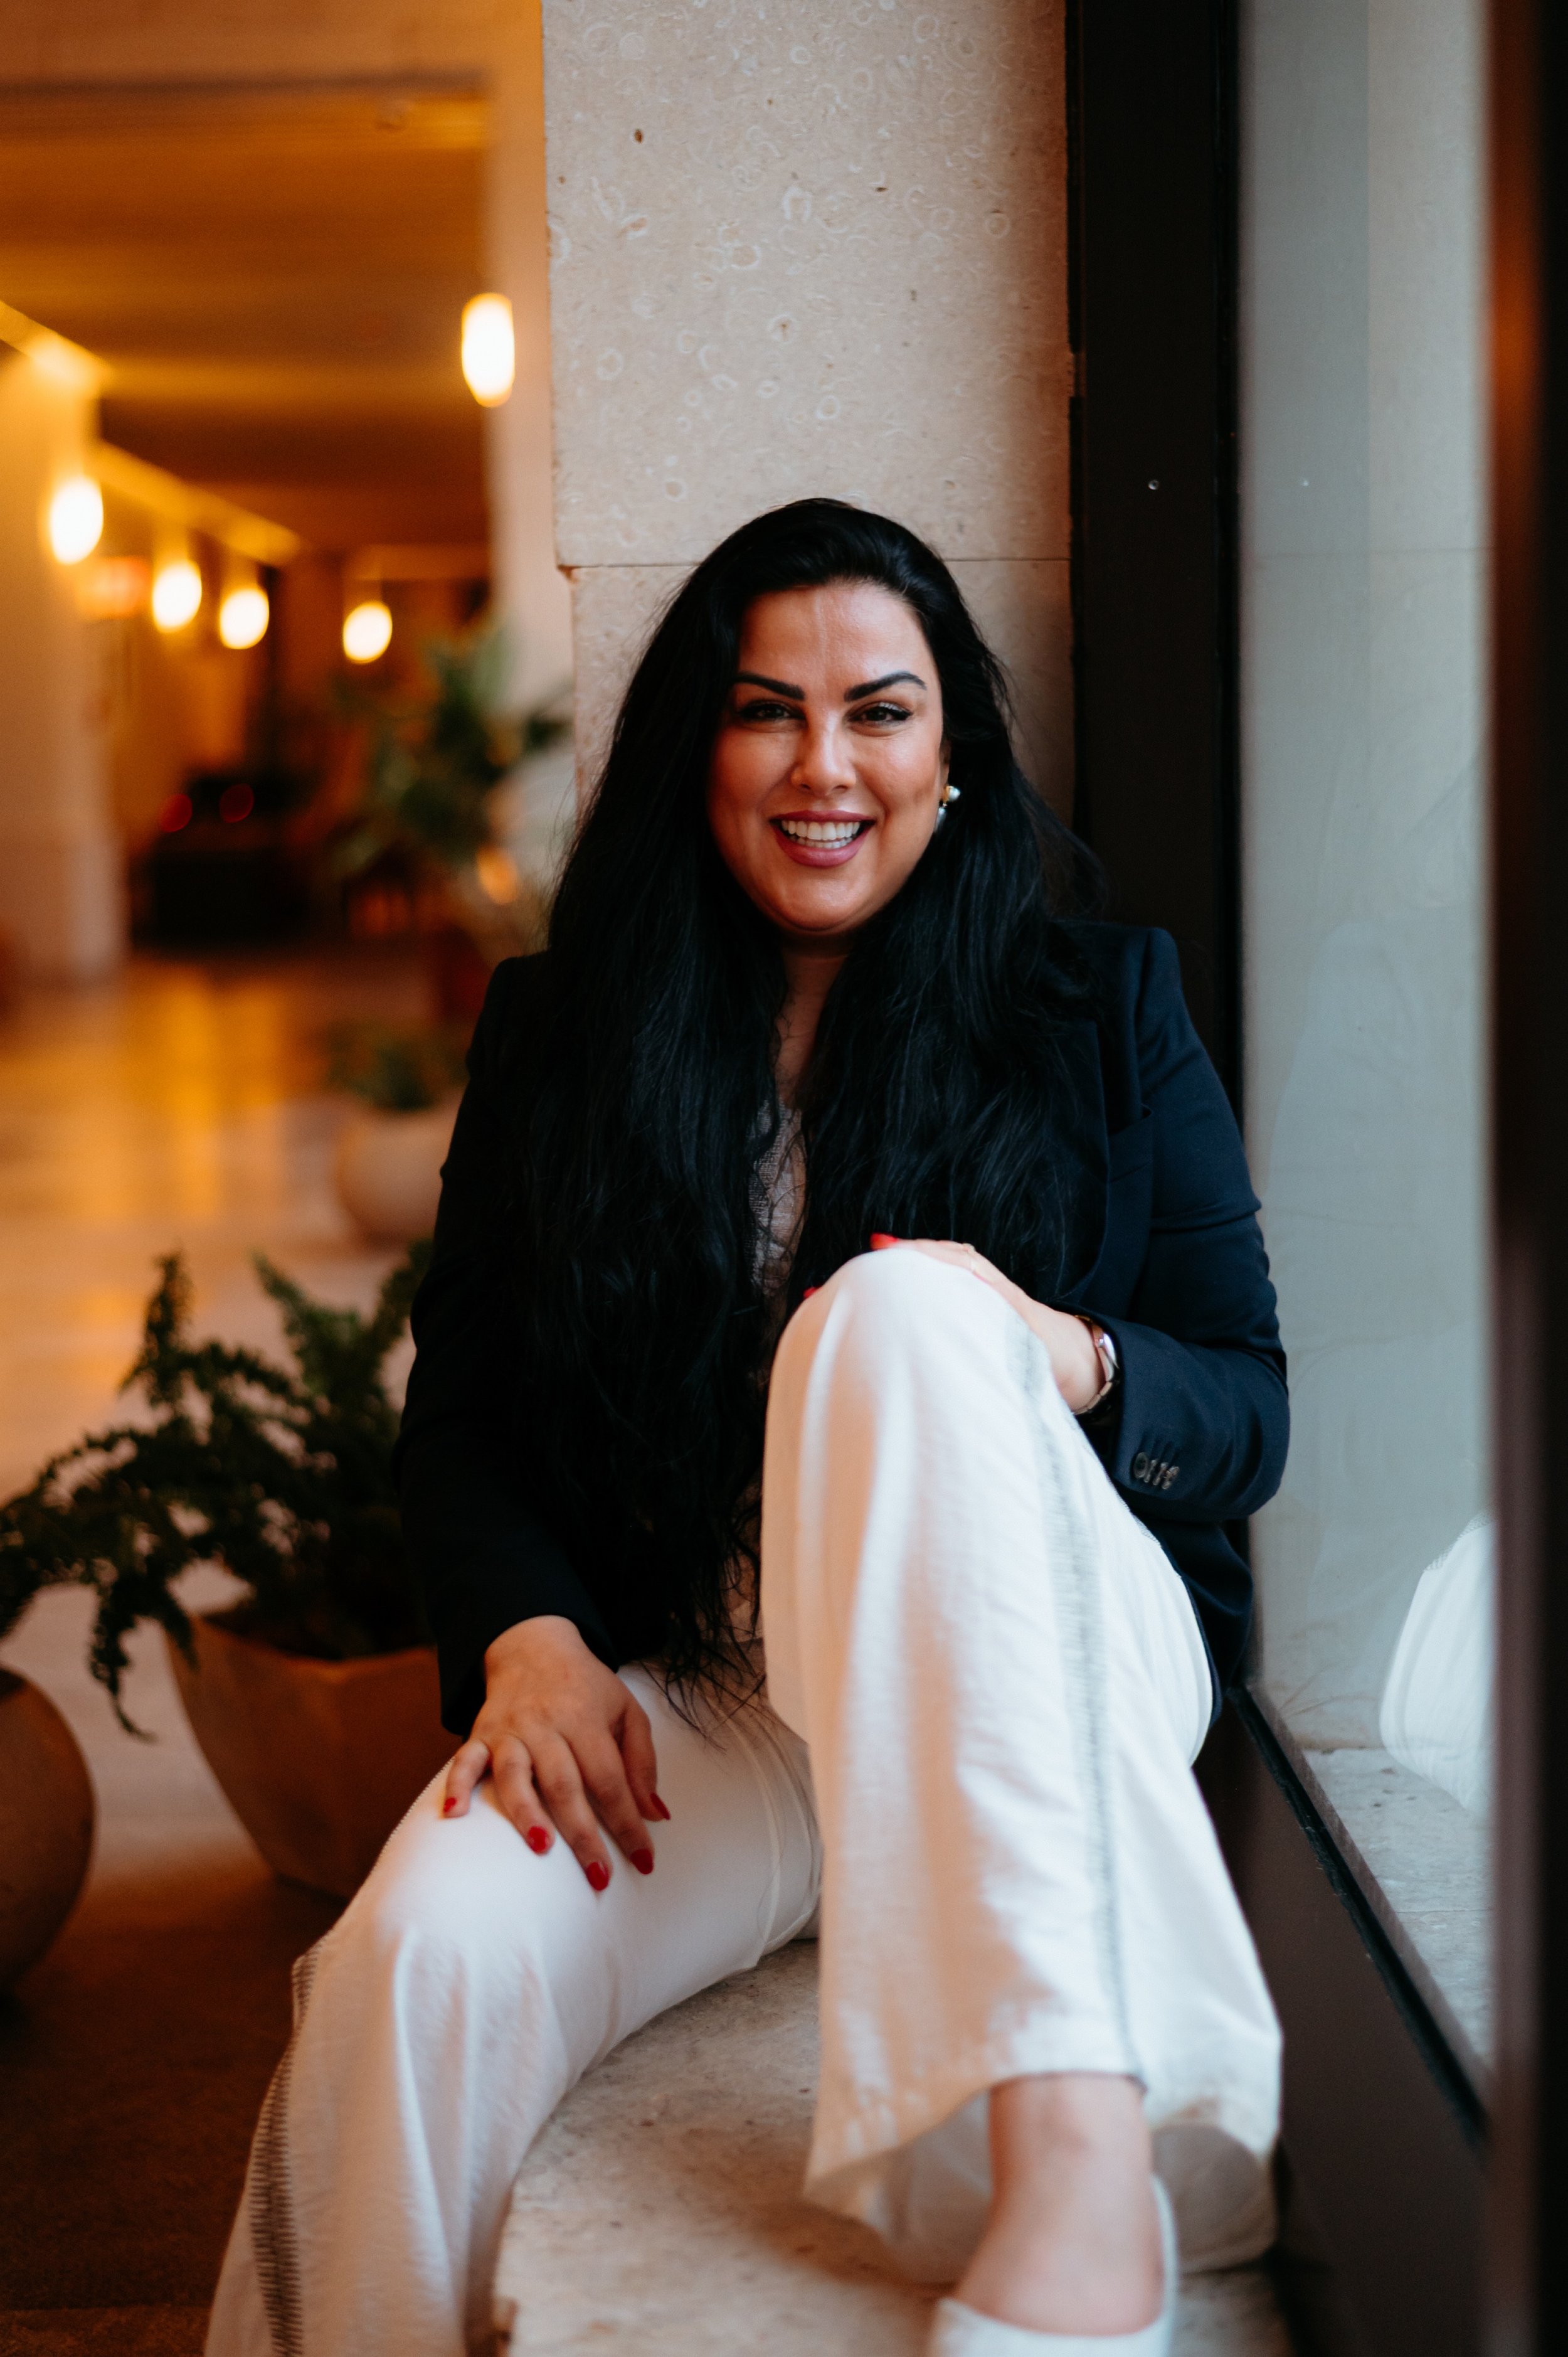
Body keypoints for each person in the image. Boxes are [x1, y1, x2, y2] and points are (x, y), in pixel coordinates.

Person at [207, 501, 1286, 2357]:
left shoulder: (1100, 1006)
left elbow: (1247, 1408)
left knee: (902, 1312)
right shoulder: (562, 1035)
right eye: (764, 711)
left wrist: (1062, 1354)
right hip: (723, 1686)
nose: (822, 768)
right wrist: (530, 1639)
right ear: (693, 755)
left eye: (880, 712)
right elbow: (465, 1413)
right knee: (420, 1952)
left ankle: (1077, 2176)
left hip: (1048, 1655)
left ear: (953, 754)